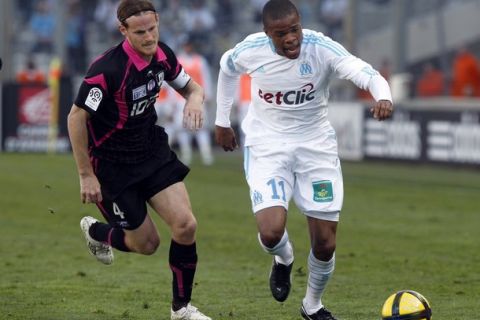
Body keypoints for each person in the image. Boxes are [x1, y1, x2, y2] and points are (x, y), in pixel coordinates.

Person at [214, 1, 393, 319]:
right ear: (267, 33)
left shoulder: (321, 48)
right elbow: (227, 69)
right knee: (270, 232)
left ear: (301, 24)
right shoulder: (251, 50)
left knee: (325, 243)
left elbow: (366, 73)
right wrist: (222, 121)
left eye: (295, 29)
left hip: (315, 148)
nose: (291, 39)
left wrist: (383, 96)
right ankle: (283, 259)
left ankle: (312, 305)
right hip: (267, 145)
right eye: (282, 33)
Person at [67, 1, 211, 319]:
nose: (149, 37)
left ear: (158, 21)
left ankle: (181, 309)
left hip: (150, 152)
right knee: (147, 244)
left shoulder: (163, 54)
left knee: (186, 226)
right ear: (123, 30)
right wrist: (85, 174)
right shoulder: (106, 70)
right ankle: (97, 232)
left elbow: (194, 88)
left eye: (152, 28)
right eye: (140, 32)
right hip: (112, 166)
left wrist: (196, 101)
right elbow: (76, 117)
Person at [167, 37, 214, 166]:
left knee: (201, 127)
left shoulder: (200, 61)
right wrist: (172, 102)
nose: (188, 47)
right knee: (182, 128)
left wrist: (207, 96)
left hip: (197, 98)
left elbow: (206, 78)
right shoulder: (178, 60)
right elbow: (172, 82)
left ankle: (206, 155)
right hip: (180, 99)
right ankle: (186, 154)